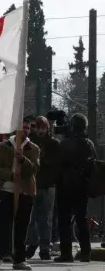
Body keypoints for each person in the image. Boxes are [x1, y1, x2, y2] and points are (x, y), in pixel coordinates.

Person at [0, 118, 39, 271]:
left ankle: (19, 259)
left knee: (22, 226)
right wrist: (10, 175)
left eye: (28, 128)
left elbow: (33, 169)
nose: (25, 130)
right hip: (5, 191)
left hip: (25, 192)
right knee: (3, 225)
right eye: (23, 127)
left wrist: (22, 159)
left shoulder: (33, 148)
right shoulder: (4, 146)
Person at [55, 113, 95, 263]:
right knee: (81, 218)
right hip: (82, 186)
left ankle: (66, 253)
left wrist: (59, 180)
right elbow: (93, 164)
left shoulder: (64, 144)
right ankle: (86, 252)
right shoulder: (89, 144)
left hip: (65, 186)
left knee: (64, 220)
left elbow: (58, 166)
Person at [25, 116, 60, 261]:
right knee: (30, 218)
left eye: (43, 128)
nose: (40, 130)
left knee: (45, 219)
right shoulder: (29, 143)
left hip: (47, 185)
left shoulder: (53, 144)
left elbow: (55, 164)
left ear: (47, 128)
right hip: (33, 183)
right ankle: (33, 242)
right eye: (38, 127)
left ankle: (44, 247)